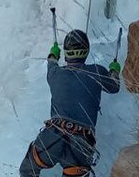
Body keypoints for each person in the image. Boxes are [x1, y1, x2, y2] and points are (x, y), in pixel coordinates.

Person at [19, 29, 122, 176]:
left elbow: (51, 62)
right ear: (86, 51)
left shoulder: (55, 74)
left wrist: (54, 52)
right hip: (81, 143)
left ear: (66, 53)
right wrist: (114, 71)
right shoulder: (96, 72)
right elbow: (114, 86)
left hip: (53, 137)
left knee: (27, 170)